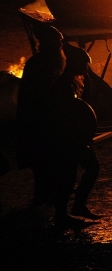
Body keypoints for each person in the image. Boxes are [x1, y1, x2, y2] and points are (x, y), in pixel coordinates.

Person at [48, 44, 101, 228]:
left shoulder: (71, 82)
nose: (85, 69)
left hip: (73, 139)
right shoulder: (63, 85)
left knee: (85, 169)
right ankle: (62, 215)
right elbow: (66, 114)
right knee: (67, 175)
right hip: (66, 139)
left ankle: (76, 206)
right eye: (83, 65)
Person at [16, 25, 65, 207]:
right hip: (40, 120)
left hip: (44, 118)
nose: (61, 45)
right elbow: (40, 95)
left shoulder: (47, 62)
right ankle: (43, 194)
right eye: (58, 42)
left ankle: (46, 192)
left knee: (47, 159)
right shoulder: (41, 64)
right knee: (43, 158)